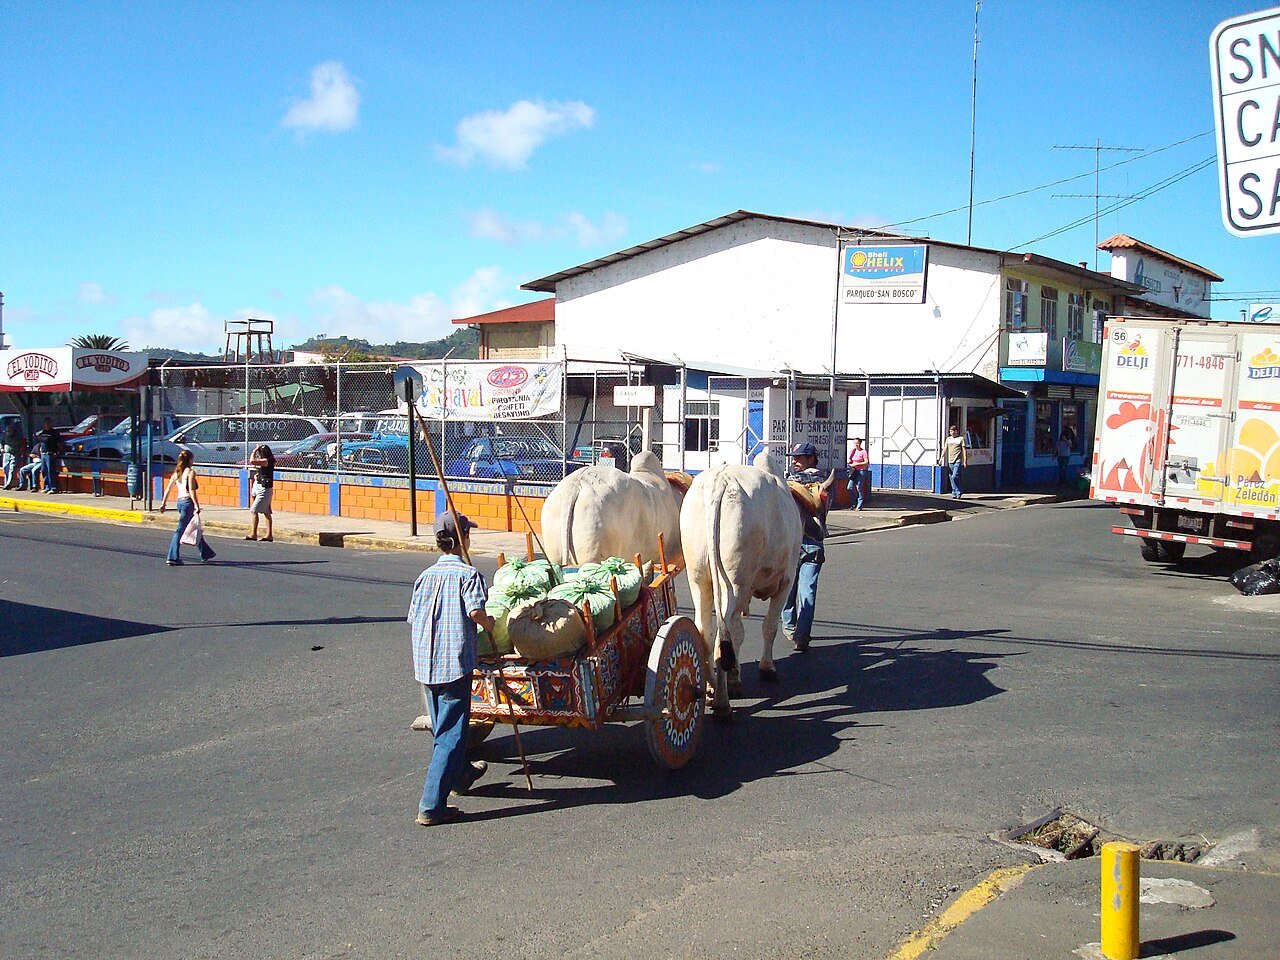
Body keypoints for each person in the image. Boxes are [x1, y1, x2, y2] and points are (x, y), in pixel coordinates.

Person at [408, 512, 493, 826]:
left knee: (442, 730)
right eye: (467, 533)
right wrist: (490, 623)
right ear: (462, 540)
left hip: (426, 665)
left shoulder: (425, 576)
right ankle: (431, 805)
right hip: (454, 665)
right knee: (451, 736)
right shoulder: (468, 575)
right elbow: (476, 612)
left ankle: (461, 776)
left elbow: (414, 618)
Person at [782, 441, 835, 653]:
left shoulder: (790, 482)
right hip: (815, 542)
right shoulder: (826, 482)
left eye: (799, 458)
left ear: (811, 459)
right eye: (794, 457)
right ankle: (802, 635)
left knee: (787, 587)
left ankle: (789, 625)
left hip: (793, 542)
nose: (795, 461)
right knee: (808, 591)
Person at [159, 449, 216, 565]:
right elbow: (191, 490)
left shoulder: (176, 474)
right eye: (192, 458)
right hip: (187, 503)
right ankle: (172, 557)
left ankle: (206, 552)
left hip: (180, 503)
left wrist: (163, 503)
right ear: (189, 459)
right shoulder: (190, 472)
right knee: (180, 530)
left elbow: (168, 489)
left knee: (193, 527)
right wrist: (196, 505)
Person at [245, 445, 275, 541]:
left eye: (260, 453)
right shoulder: (264, 461)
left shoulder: (267, 460)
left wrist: (253, 451)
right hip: (258, 485)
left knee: (254, 510)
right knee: (266, 511)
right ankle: (268, 535)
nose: (259, 455)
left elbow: (252, 461)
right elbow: (260, 468)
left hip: (264, 488)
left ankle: (254, 534)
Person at [35, 418, 63, 494]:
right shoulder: (43, 432)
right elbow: (40, 442)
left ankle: (53, 487)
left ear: (51, 424)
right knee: (44, 471)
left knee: (51, 471)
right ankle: (47, 486)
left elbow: (60, 443)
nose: (47, 424)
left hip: (50, 454)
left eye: (48, 423)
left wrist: (57, 452)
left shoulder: (54, 432)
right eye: (45, 423)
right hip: (43, 454)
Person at [940, 424, 968, 499]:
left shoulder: (961, 439)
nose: (950, 432)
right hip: (950, 461)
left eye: (952, 431)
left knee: (955, 476)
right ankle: (954, 492)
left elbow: (964, 450)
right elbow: (945, 448)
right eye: (950, 431)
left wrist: (965, 461)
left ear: (956, 431)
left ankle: (959, 491)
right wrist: (941, 458)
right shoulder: (948, 439)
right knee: (951, 477)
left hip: (957, 460)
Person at [846, 438, 870, 510]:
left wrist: (858, 463)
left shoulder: (863, 452)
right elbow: (849, 460)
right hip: (854, 471)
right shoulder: (852, 451)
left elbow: (866, 462)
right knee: (849, 487)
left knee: (859, 487)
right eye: (855, 443)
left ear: (860, 443)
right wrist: (850, 463)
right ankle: (854, 502)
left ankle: (859, 505)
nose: (856, 445)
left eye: (857, 443)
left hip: (861, 471)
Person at [3, 421, 25, 489]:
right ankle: (6, 482)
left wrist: (20, 452)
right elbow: (1, 442)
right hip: (6, 453)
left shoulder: (18, 437)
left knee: (11, 469)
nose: (8, 432)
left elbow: (21, 445)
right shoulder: (5, 436)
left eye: (10, 431)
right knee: (5, 468)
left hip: (14, 454)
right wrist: (1, 448)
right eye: (7, 431)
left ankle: (8, 484)